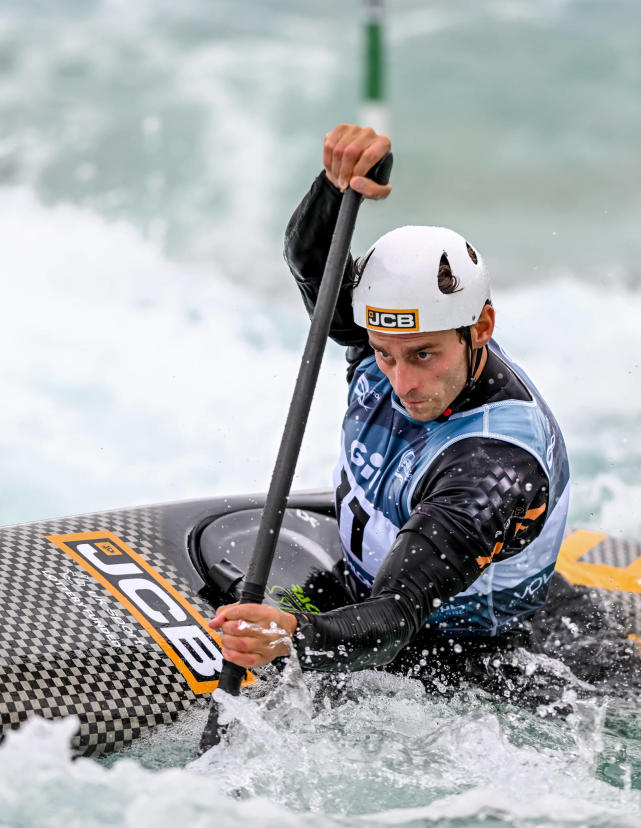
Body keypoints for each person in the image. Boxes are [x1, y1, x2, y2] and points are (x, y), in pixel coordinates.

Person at [210, 124, 571, 682]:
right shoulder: (394, 334)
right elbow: (312, 262)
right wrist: (336, 186)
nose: (402, 383)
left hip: (455, 660)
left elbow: (396, 618)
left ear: (481, 327)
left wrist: (292, 639)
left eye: (425, 356)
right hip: (358, 579)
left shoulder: (493, 468)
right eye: (384, 354)